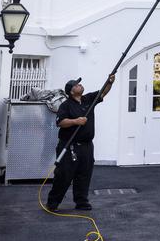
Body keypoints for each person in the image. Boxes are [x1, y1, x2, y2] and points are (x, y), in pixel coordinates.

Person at [45, 74, 115, 212]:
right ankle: (52, 203)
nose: (80, 85)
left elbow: (103, 92)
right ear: (71, 91)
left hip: (87, 146)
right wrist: (76, 121)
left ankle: (81, 202)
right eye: (76, 85)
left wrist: (110, 82)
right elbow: (60, 122)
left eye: (79, 84)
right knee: (64, 175)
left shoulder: (88, 99)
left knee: (84, 174)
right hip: (69, 146)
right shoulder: (66, 105)